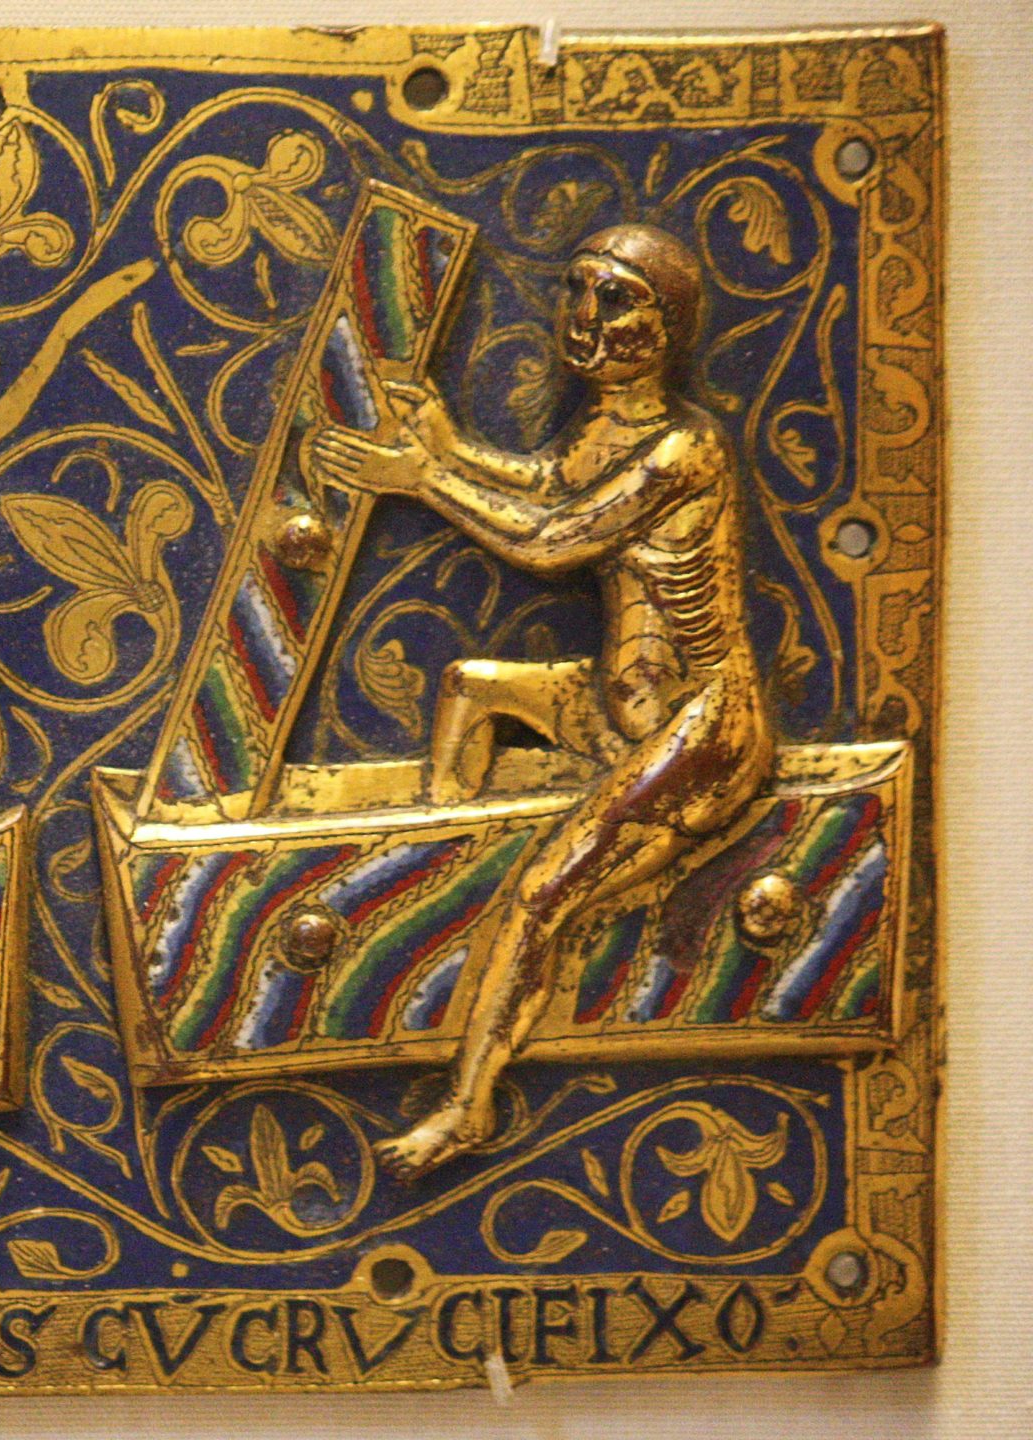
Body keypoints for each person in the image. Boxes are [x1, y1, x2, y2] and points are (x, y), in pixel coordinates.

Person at [307, 224, 773, 1179]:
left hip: (702, 728)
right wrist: (451, 445)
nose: (587, 317)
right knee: (469, 689)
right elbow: (553, 482)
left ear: (672, 327)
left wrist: (427, 479)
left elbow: (552, 540)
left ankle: (467, 1106)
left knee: (541, 897)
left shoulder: (686, 447)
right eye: (578, 289)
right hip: (615, 705)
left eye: (620, 299)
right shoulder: (608, 427)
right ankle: (438, 877)